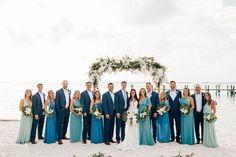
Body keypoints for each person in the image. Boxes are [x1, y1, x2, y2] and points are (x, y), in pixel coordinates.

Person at [55, 80, 71, 145]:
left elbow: (69, 100)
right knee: (60, 124)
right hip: (61, 110)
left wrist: (70, 108)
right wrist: (58, 110)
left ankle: (63, 135)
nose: (65, 84)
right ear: (62, 84)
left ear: (68, 84)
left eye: (66, 83)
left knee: (66, 123)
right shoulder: (58, 92)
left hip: (67, 110)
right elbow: (57, 102)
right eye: (64, 83)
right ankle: (59, 138)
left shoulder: (69, 91)